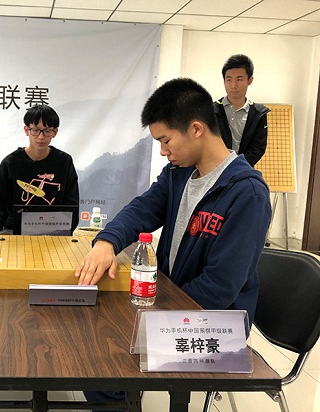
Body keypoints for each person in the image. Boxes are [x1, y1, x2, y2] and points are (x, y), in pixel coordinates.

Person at [75, 78, 271, 409]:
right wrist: (106, 242)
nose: (163, 151)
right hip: (175, 306)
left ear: (196, 129)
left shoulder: (247, 193)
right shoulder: (178, 174)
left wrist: (155, 317)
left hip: (216, 324)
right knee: (94, 335)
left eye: (165, 140)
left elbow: (221, 286)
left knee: (103, 361)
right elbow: (142, 210)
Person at [0, 104, 79, 235]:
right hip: (14, 232)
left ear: (55, 132)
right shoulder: (11, 162)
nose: (41, 137)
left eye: (47, 131)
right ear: (26, 130)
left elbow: (71, 204)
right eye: (36, 130)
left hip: (53, 232)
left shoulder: (64, 162)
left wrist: (63, 229)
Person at [214, 54, 270, 167]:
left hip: (243, 170)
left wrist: (238, 167)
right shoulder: (212, 110)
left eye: (239, 79)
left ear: (250, 80)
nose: (233, 85)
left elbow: (258, 148)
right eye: (229, 79)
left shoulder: (258, 114)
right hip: (213, 169)